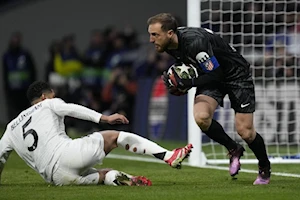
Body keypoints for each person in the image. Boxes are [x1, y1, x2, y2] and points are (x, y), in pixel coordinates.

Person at [147, 13, 271, 185]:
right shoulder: (169, 44)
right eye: (150, 35)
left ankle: (264, 166)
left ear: (169, 33)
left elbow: (216, 73)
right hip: (211, 76)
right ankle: (233, 148)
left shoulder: (195, 42)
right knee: (201, 117)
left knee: (245, 131)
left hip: (236, 75)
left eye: (155, 35)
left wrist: (189, 82)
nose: (151, 40)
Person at [0, 81, 193, 186]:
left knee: (103, 174)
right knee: (113, 137)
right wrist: (104, 118)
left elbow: (1, 156)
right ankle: (169, 156)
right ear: (44, 96)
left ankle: (129, 180)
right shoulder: (49, 103)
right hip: (65, 156)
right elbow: (72, 109)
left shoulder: (11, 127)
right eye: (52, 94)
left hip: (55, 178)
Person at [2, 32, 36, 121]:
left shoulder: (25, 54)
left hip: (25, 88)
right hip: (12, 89)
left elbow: (32, 70)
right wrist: (6, 88)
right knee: (13, 112)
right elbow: (5, 73)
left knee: (25, 111)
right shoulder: (7, 56)